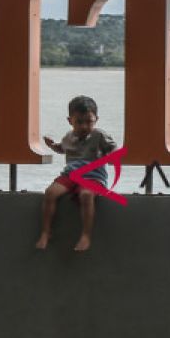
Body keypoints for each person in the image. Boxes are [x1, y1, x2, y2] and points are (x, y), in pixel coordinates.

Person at [35, 95, 117, 252]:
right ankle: (46, 231)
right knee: (51, 193)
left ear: (96, 120)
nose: (84, 126)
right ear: (70, 121)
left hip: (93, 176)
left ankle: (86, 235)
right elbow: (63, 148)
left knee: (86, 195)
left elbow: (113, 147)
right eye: (79, 122)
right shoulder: (68, 136)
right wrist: (53, 146)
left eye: (89, 122)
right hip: (70, 175)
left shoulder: (99, 135)